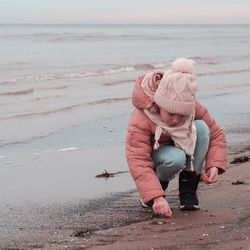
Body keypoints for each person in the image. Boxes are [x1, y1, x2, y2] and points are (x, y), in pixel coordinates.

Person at [125, 58, 227, 218]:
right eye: (171, 113)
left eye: (182, 116)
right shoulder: (142, 117)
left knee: (202, 128)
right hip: (157, 156)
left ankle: (188, 190)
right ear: (160, 104)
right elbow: (137, 159)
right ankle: (158, 188)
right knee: (176, 158)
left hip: (181, 146)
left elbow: (216, 134)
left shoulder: (189, 105)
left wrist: (213, 165)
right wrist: (156, 196)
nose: (175, 120)